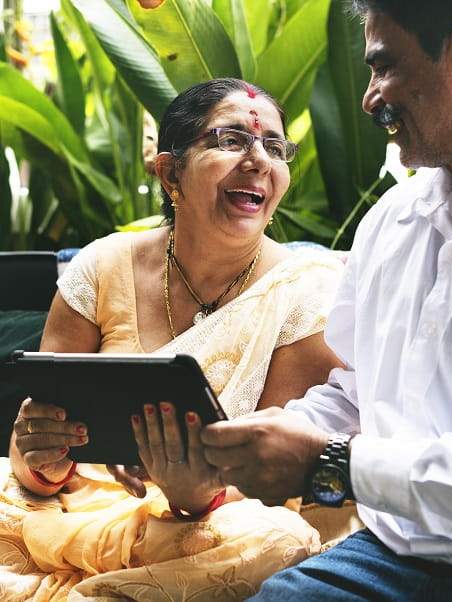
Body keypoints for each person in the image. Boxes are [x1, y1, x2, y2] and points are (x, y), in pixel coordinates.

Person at [199, 2, 452, 600]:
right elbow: (361, 396)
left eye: (383, 66)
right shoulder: (392, 222)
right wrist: (241, 446)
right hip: (390, 553)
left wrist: (327, 464)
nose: (369, 98)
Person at [0, 78, 346, 600]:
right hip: (73, 515)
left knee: (274, 546)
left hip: (208, 527)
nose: (259, 160)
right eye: (230, 140)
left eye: (275, 148)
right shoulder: (101, 267)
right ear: (170, 172)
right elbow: (31, 450)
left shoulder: (309, 289)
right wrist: (41, 460)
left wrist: (197, 496)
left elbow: (282, 475)